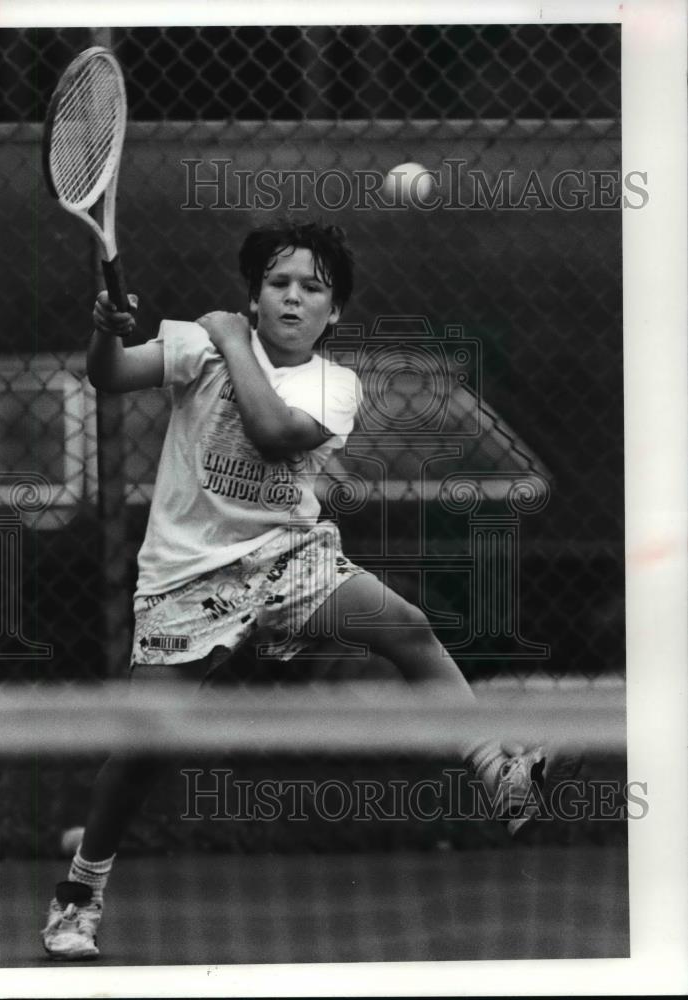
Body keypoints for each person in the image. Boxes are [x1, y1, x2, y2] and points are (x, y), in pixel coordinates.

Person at [41, 219, 546, 961]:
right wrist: (105, 333)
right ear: (254, 295)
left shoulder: (332, 384)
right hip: (189, 573)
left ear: (332, 311)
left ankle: (492, 767)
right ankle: (80, 893)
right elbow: (108, 375)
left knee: (404, 625)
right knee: (143, 744)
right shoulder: (194, 347)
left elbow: (274, 432)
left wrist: (230, 340)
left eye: (312, 287)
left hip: (287, 557)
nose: (293, 297)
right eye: (277, 282)